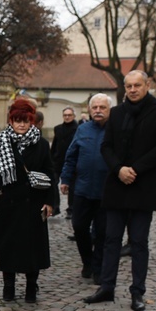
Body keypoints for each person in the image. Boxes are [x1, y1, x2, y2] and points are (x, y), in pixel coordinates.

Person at [84, 70, 156, 311]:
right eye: (129, 86)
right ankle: (106, 287)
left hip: (144, 184)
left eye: (137, 85)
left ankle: (137, 292)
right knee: (110, 239)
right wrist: (119, 169)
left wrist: (134, 169)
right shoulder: (117, 113)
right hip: (117, 184)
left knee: (138, 242)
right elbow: (107, 146)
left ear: (147, 85)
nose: (132, 89)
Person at [0, 98, 55, 303]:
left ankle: (31, 288)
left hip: (34, 205)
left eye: (25, 120)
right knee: (8, 248)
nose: (21, 124)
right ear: (11, 121)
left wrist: (50, 202)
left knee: (34, 250)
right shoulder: (0, 141)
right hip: (9, 206)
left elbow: (50, 173)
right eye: (17, 120)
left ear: (32, 121)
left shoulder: (41, 144)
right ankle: (9, 287)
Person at [60, 94, 112, 285]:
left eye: (102, 107)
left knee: (102, 232)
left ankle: (98, 268)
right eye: (95, 107)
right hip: (82, 188)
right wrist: (65, 179)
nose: (98, 110)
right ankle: (87, 261)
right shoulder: (82, 129)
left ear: (109, 110)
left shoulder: (114, 130)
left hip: (106, 191)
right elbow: (71, 155)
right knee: (79, 227)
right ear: (90, 110)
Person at [51, 106, 79, 217]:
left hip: (72, 161)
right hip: (58, 161)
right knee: (52, 183)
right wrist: (51, 158)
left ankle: (71, 208)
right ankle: (55, 206)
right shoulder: (57, 128)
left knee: (72, 186)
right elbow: (54, 145)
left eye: (69, 115)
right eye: (65, 115)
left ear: (73, 116)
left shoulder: (78, 128)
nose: (67, 117)